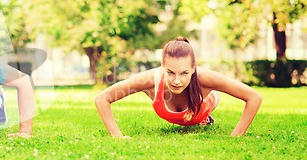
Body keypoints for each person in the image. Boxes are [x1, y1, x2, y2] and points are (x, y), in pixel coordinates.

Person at [95, 37, 263, 137]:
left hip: (206, 101)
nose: (177, 81)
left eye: (184, 73)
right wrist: (117, 137)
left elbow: (254, 97)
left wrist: (236, 137)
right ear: (162, 66)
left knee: (198, 110)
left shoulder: (205, 78)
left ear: (193, 68)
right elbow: (102, 99)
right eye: (170, 72)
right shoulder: (150, 80)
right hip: (183, 104)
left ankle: (205, 117)